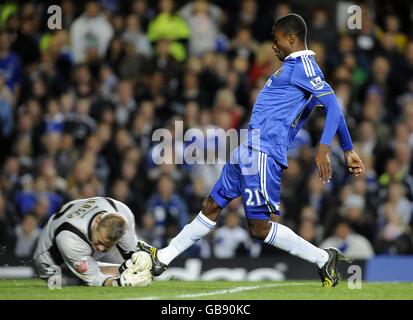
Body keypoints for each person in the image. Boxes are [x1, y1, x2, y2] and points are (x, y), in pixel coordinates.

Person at [139, 13, 365, 288]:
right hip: (247, 148)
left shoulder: (305, 65)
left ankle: (322, 259)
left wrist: (324, 148)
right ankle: (162, 257)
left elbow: (333, 107)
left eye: (276, 38)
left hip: (263, 152)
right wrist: (349, 149)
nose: (273, 45)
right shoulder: (296, 67)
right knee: (211, 205)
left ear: (291, 37)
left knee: (259, 229)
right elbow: (334, 109)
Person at [33, 196, 152, 287]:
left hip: (82, 250)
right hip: (51, 263)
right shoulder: (70, 238)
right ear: (97, 221)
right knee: (66, 284)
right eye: (100, 241)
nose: (100, 248)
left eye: (107, 246)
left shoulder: (121, 213)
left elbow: (133, 253)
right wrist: (119, 283)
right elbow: (95, 279)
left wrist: (145, 267)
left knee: (130, 271)